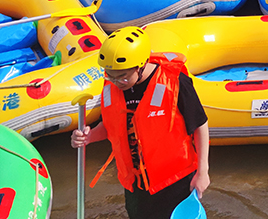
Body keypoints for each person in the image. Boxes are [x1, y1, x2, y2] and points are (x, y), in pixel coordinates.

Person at [71, 26, 209, 219]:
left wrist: (203, 172)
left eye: (123, 76)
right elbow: (111, 126)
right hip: (136, 183)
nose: (117, 81)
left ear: (140, 65)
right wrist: (88, 136)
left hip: (175, 180)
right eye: (110, 75)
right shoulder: (112, 85)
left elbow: (200, 125)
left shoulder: (175, 82)